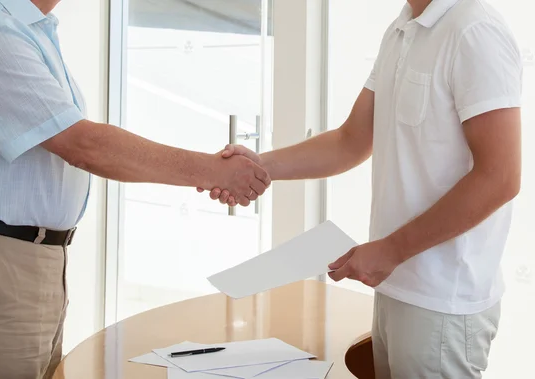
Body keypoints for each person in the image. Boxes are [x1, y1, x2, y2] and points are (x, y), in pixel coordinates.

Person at [0, 0, 270, 378]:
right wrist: (214, 171)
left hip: (29, 260)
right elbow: (85, 146)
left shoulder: (28, 29)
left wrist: (224, 172)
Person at [203, 0, 522, 377]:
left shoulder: (474, 30)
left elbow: (500, 177)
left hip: (442, 303)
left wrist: (390, 250)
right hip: (396, 288)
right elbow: (351, 140)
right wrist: (257, 167)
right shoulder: (403, 28)